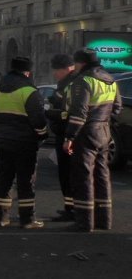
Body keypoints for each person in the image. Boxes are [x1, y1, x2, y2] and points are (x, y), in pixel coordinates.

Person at [63, 49, 122, 232]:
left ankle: (84, 222)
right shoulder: (111, 80)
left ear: (81, 63)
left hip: (86, 133)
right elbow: (117, 108)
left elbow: (79, 114)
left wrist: (69, 137)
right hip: (104, 132)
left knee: (84, 176)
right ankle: (104, 220)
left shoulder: (83, 81)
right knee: (102, 175)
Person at [0, 56, 47, 229]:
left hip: (3, 140)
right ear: (27, 72)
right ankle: (27, 219)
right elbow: (38, 121)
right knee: (25, 181)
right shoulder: (29, 91)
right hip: (25, 142)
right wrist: (42, 135)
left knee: (5, 178)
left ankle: (0, 217)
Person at [45, 54, 78, 222]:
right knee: (66, 174)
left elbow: (69, 111)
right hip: (66, 132)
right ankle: (70, 208)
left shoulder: (72, 83)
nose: (55, 74)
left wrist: (50, 112)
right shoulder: (65, 82)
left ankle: (72, 210)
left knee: (68, 173)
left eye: (57, 71)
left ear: (66, 69)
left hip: (68, 133)